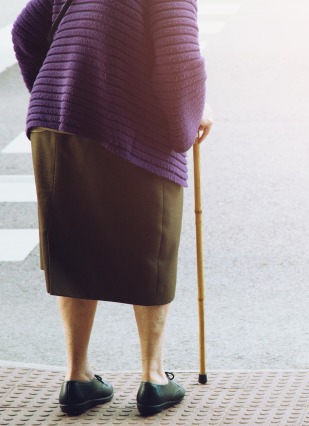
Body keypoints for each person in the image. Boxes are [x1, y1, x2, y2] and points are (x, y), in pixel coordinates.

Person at [11, 0, 214, 416]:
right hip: (131, 125)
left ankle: (77, 377)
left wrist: (61, 92)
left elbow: (25, 32)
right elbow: (178, 57)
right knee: (151, 244)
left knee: (71, 245)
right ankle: (153, 379)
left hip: (57, 121)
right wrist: (190, 120)